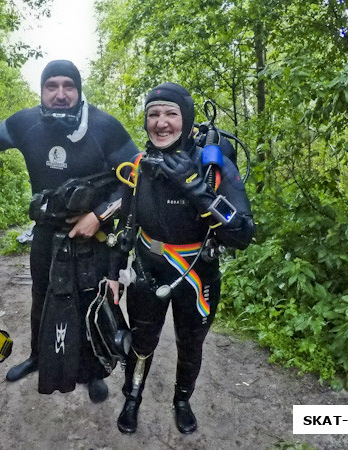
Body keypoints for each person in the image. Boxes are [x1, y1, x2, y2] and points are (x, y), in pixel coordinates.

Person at [0, 60, 139, 402]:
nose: (61, 94)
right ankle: (38, 356)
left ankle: (93, 369)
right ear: (42, 91)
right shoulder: (26, 123)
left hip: (91, 236)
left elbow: (137, 178)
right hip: (45, 234)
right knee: (41, 296)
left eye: (69, 86)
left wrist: (98, 214)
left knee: (90, 300)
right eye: (52, 86)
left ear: (79, 91)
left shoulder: (103, 126)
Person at [107, 82, 255, 434]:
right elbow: (124, 225)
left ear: (186, 120)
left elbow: (243, 234)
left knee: (191, 343)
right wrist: (113, 273)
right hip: (148, 266)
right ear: (145, 121)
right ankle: (133, 396)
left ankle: (182, 400)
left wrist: (195, 187)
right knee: (142, 343)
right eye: (153, 114)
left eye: (171, 113)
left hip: (197, 273)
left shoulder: (211, 165)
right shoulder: (140, 166)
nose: (161, 122)